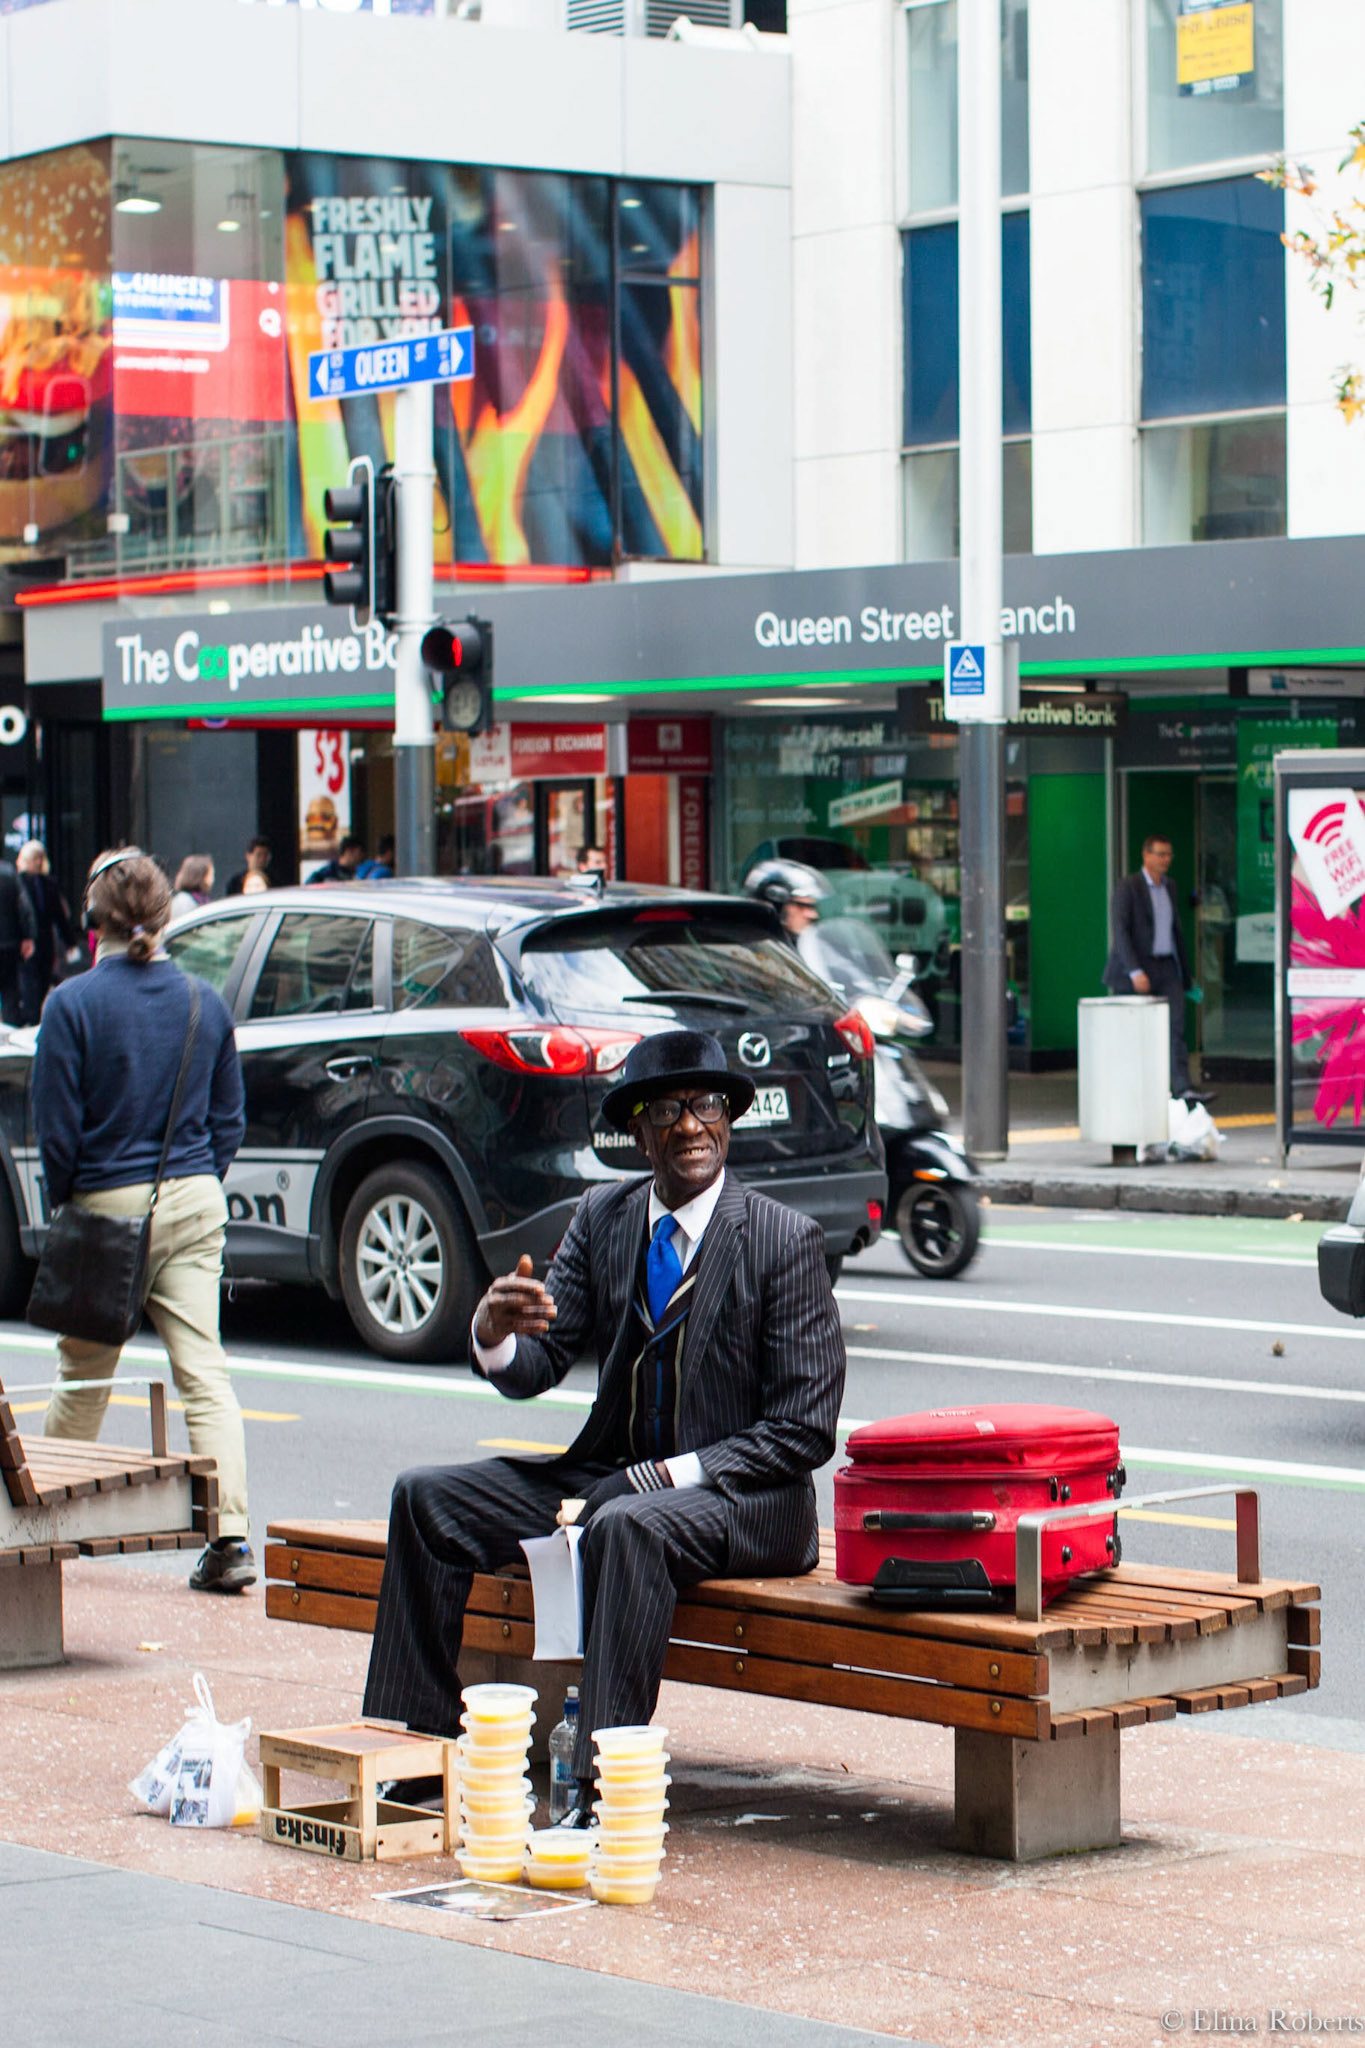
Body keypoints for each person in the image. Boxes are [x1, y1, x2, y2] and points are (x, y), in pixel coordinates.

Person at [362, 1028, 846, 1819]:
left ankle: (593, 1787)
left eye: (706, 1105)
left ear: (727, 1119)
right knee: (426, 1499)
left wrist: (657, 1478)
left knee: (628, 1525)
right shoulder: (604, 1216)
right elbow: (539, 1366)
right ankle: (426, 1750)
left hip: (748, 1501)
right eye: (665, 1109)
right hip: (610, 1475)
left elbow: (801, 1432)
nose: (689, 1125)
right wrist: (491, 1335)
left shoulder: (781, 1241)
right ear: (637, 1132)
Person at [32, 847, 256, 1593]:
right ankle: (230, 1539)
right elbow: (229, 1122)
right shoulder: (205, 1002)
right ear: (165, 918)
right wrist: (194, 1181)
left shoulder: (70, 1005)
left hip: (105, 1201)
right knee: (205, 1375)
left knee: (84, 1376)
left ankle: (42, 1525)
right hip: (193, 1195)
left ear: (94, 921)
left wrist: (77, 1201)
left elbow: (56, 1135)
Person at [1102, 834, 1212, 1106]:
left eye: (1169, 855)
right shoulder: (1129, 887)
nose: (1166, 860)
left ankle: (1181, 1087)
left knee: (1175, 1027)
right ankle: (1132, 1087)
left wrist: (1186, 975)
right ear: (1146, 855)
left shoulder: (1170, 887)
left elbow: (1175, 932)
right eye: (1161, 854)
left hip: (1166, 967)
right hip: (1138, 969)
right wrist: (1134, 970)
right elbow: (1121, 931)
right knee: (1135, 1031)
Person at [16, 840, 78, 1025]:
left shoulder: (49, 883)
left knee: (43, 982)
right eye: (35, 858)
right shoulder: (19, 882)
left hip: (45, 943)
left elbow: (59, 915)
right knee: (30, 987)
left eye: (40, 858)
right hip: (26, 944)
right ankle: (31, 1020)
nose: (38, 862)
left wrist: (70, 942)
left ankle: (33, 1019)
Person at [744, 857, 831, 947]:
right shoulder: (755, 953)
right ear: (778, 908)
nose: (813, 915)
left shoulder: (807, 950)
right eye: (803, 906)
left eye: (813, 907)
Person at [0, 846, 38, 1026]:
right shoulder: (9, 873)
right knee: (10, 991)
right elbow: (24, 908)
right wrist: (27, 936)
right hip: (9, 943)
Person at [170, 854, 214, 924]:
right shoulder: (183, 902)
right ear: (200, 875)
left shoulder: (201, 900)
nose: (212, 879)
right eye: (210, 874)